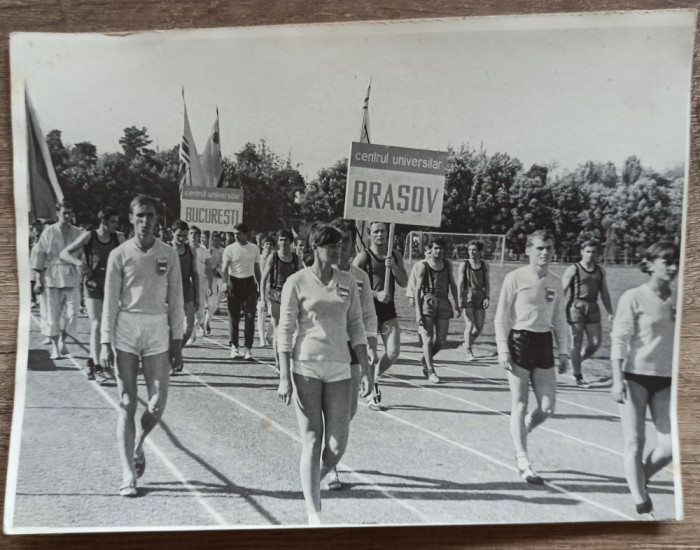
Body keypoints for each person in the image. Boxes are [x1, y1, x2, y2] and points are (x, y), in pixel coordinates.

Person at [277, 223, 372, 525]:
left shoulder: (348, 282)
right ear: (315, 247)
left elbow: (356, 325)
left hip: (339, 367)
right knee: (312, 438)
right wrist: (283, 375)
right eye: (331, 245)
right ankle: (313, 511)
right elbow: (286, 329)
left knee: (336, 445)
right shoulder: (297, 281)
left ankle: (313, 480)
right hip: (306, 366)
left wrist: (366, 368)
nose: (338, 249)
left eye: (341, 245)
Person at [100, 195, 184, 497]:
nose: (145, 221)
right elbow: (110, 302)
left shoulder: (169, 254)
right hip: (126, 327)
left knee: (158, 401)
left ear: (157, 219)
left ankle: (138, 444)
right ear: (131, 218)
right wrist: (105, 342)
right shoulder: (119, 255)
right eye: (139, 216)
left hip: (157, 328)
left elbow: (175, 300)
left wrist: (178, 342)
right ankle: (127, 474)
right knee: (126, 402)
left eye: (149, 215)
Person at [610, 241, 679, 518]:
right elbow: (619, 339)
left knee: (671, 445)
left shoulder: (679, 300)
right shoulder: (633, 297)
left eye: (676, 262)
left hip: (666, 379)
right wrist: (617, 380)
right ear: (650, 264)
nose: (673, 268)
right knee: (635, 442)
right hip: (635, 378)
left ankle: (639, 478)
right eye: (667, 262)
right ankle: (641, 503)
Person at [494, 229, 568, 484]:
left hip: (544, 342)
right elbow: (501, 317)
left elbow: (559, 319)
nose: (544, 252)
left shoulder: (556, 281)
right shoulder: (515, 278)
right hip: (520, 341)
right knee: (520, 403)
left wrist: (564, 351)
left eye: (548, 247)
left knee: (547, 407)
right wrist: (502, 348)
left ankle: (523, 428)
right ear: (528, 251)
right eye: (539, 248)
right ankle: (523, 459)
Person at [59, 207, 124, 383]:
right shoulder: (90, 236)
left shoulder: (118, 238)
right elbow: (64, 253)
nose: (116, 225)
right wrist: (79, 262)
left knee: (110, 324)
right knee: (96, 323)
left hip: (111, 287)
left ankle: (91, 359)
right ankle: (98, 368)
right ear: (103, 222)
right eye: (113, 222)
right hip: (93, 285)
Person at [352, 222, 407, 405]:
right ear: (369, 235)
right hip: (368, 309)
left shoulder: (395, 255)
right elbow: (352, 284)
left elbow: (404, 282)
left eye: (383, 231)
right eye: (376, 231)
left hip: (388, 310)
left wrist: (393, 267)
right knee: (371, 354)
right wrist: (376, 294)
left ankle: (374, 376)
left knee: (393, 352)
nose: (380, 234)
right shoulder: (363, 257)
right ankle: (372, 391)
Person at [32, 201, 84, 360]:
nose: (67, 216)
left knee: (73, 313)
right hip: (53, 276)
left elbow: (82, 254)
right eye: (64, 213)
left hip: (72, 275)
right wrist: (38, 280)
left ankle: (63, 341)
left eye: (69, 213)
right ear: (57, 214)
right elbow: (40, 254)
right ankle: (55, 348)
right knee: (53, 315)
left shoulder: (78, 233)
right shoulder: (49, 231)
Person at [562, 240, 614, 386]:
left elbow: (605, 294)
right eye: (588, 251)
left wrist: (610, 312)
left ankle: (576, 360)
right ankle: (577, 375)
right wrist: (557, 309)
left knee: (595, 343)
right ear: (582, 252)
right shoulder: (573, 269)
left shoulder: (600, 270)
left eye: (593, 252)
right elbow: (562, 290)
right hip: (576, 306)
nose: (590, 255)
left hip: (593, 307)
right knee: (576, 342)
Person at [413, 238, 460, 383]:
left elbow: (452, 284)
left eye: (441, 248)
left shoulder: (447, 263)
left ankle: (425, 359)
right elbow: (417, 290)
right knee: (427, 338)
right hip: (428, 301)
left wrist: (457, 304)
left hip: (444, 301)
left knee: (441, 341)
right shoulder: (424, 265)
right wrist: (418, 312)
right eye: (436, 248)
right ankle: (430, 370)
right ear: (431, 249)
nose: (438, 251)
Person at [260, 229, 301, 367]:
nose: (283, 242)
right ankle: (278, 362)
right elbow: (264, 278)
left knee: (293, 329)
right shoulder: (274, 257)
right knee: (279, 327)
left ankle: (290, 358)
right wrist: (262, 298)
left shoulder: (296, 258)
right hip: (276, 294)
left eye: (286, 240)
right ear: (277, 242)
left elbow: (301, 278)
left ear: (291, 242)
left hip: (291, 295)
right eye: (281, 240)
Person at [221, 222, 261, 360]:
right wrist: (225, 284)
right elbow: (225, 269)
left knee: (250, 317)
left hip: (249, 283)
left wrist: (260, 286)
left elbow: (257, 269)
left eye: (239, 234)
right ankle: (234, 347)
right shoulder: (229, 249)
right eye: (234, 234)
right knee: (234, 317)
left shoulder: (254, 248)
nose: (236, 237)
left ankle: (248, 348)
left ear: (246, 234)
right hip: (234, 283)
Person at [458, 240, 491, 361]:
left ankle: (466, 343)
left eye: (474, 250)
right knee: (470, 324)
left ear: (479, 251)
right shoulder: (464, 264)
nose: (471, 252)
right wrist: (459, 300)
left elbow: (486, 282)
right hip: (468, 295)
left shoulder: (484, 265)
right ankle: (468, 351)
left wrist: (487, 297)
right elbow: (460, 284)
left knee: (479, 327)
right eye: (469, 250)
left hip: (480, 295)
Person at [170, 220, 199, 355]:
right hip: (169, 290)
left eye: (184, 236)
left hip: (187, 288)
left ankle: (175, 352)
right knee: (171, 326)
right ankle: (171, 356)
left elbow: (195, 274)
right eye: (179, 235)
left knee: (189, 326)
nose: (182, 239)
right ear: (172, 233)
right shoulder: (166, 249)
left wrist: (197, 296)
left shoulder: (190, 250)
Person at [188, 225, 213, 341]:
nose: (193, 236)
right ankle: (190, 333)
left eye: (195, 234)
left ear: (199, 236)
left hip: (201, 282)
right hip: (187, 282)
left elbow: (209, 269)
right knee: (187, 309)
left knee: (200, 310)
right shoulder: (185, 249)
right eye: (191, 233)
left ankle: (196, 326)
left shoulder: (204, 251)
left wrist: (210, 285)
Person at [257, 235, 275, 347]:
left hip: (272, 288)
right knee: (261, 313)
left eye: (270, 244)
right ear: (263, 245)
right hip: (260, 288)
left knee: (274, 313)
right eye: (266, 244)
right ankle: (262, 339)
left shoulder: (274, 258)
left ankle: (269, 334)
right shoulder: (258, 258)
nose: (268, 246)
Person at [205, 232, 225, 335]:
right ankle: (206, 322)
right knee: (211, 302)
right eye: (215, 240)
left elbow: (224, 264)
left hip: (219, 276)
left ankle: (207, 320)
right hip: (210, 278)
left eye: (218, 240)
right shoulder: (208, 250)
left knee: (216, 304)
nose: (216, 241)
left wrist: (218, 269)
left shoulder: (223, 250)